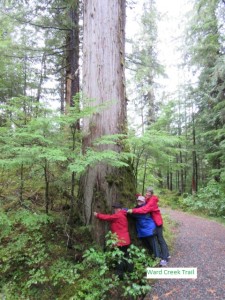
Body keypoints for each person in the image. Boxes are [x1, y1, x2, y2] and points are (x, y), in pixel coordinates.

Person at [127, 187, 170, 267]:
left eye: (148, 193)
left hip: (157, 223)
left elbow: (145, 209)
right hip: (153, 222)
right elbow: (143, 199)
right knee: (159, 239)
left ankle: (165, 259)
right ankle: (166, 254)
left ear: (151, 194)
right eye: (146, 192)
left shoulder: (152, 201)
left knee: (160, 239)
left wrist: (133, 210)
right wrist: (136, 194)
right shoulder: (148, 199)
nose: (147, 194)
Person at [93, 202, 131, 279]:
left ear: (119, 209)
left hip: (121, 240)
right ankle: (129, 271)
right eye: (114, 209)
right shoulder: (123, 214)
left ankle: (119, 275)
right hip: (125, 240)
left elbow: (108, 217)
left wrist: (97, 215)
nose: (115, 210)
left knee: (119, 257)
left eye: (116, 209)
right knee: (126, 256)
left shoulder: (119, 215)